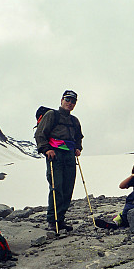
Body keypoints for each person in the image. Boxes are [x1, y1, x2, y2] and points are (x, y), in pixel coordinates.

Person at [34, 90, 84, 232]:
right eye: (68, 99)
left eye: (73, 101)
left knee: (68, 188)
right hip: (55, 155)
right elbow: (40, 134)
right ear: (62, 100)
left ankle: (60, 220)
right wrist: (46, 149)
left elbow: (79, 137)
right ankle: (52, 220)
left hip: (69, 155)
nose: (70, 103)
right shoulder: (52, 115)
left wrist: (78, 147)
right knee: (57, 187)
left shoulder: (75, 121)